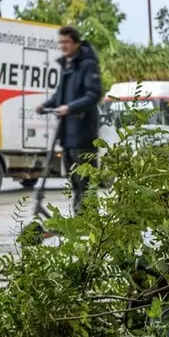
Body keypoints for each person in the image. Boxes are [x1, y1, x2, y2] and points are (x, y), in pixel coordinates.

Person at [37, 26, 103, 214]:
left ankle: (89, 221)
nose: (63, 46)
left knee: (85, 184)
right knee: (75, 181)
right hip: (67, 135)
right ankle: (80, 219)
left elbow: (93, 94)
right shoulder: (68, 66)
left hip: (83, 135)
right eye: (61, 42)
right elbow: (60, 96)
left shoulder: (88, 65)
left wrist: (70, 108)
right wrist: (45, 105)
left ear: (76, 43)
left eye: (66, 42)